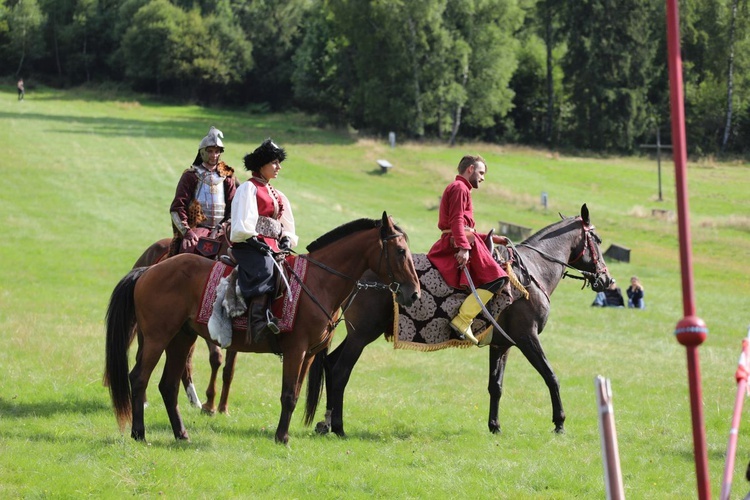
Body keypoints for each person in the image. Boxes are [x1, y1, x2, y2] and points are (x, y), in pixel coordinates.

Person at [427, 154, 510, 346]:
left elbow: (465, 228)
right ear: (470, 169)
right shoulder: (459, 188)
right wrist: (464, 247)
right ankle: (464, 319)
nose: (483, 178)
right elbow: (456, 221)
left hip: (461, 239)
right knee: (498, 278)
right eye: (481, 173)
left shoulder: (462, 188)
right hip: (456, 243)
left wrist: (495, 239)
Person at [230, 138, 298, 344]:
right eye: (274, 163)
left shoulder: (278, 194)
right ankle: (258, 322)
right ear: (262, 165)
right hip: (249, 244)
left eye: (279, 162)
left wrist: (286, 239)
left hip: (273, 245)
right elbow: (242, 223)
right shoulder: (248, 189)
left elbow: (286, 224)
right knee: (266, 267)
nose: (279, 167)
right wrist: (253, 240)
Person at [169, 126, 236, 256]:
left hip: (221, 229)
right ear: (202, 152)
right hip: (198, 229)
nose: (214, 155)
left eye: (217, 151)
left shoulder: (227, 177)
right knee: (189, 252)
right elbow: (177, 208)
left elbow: (234, 206)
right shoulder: (191, 175)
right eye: (210, 151)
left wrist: (224, 226)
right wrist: (187, 232)